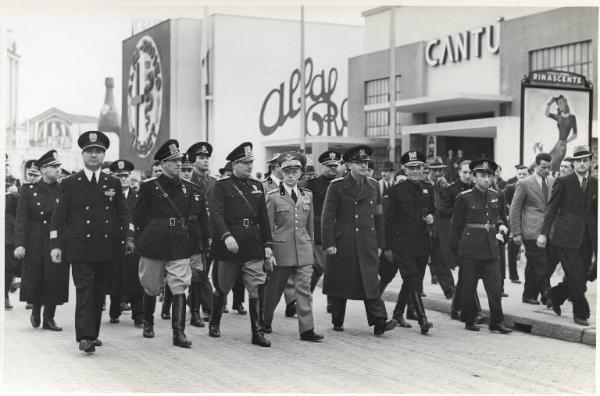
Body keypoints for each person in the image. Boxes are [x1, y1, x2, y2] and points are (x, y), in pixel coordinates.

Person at [50, 132, 135, 353]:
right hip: (79, 246)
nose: (94, 155)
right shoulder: (70, 183)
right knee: (84, 290)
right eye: (89, 151)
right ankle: (85, 336)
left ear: (104, 154)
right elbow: (59, 217)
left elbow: (123, 213)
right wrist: (56, 245)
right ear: (83, 155)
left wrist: (128, 237)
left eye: (98, 151)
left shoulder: (113, 182)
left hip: (106, 247)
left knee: (99, 292)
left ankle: (93, 333)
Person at [321, 145, 396, 335]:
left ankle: (379, 321)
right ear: (348, 165)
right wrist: (329, 243)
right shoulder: (336, 186)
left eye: (366, 162)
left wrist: (381, 244)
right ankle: (337, 318)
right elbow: (328, 217)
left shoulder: (373, 186)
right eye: (359, 163)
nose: (364, 166)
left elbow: (379, 217)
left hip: (367, 241)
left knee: (370, 281)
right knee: (341, 281)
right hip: (343, 242)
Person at [135, 139, 202, 348]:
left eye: (179, 160)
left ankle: (178, 332)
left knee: (180, 286)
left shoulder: (189, 188)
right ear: (163, 164)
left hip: (179, 243)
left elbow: (193, 219)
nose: (178, 164)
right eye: (173, 161)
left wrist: (196, 247)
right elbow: (138, 217)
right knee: (151, 287)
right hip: (154, 243)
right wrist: (143, 239)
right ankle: (148, 322)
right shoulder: (149, 188)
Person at [208, 142, 273, 347]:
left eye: (251, 162)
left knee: (256, 287)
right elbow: (216, 215)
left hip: (252, 243)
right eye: (244, 162)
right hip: (229, 245)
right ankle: (215, 321)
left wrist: (268, 244)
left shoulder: (257, 186)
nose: (249, 166)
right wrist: (226, 236)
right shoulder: (222, 186)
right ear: (234, 164)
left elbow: (264, 218)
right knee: (223, 286)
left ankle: (257, 332)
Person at [263, 152, 324, 342]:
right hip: (281, 250)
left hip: (304, 249)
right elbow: (268, 227)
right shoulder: (273, 197)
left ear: (300, 174)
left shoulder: (308, 195)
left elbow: (310, 225)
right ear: (281, 173)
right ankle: (264, 321)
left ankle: (307, 329)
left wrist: (311, 246)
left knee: (304, 290)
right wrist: (268, 250)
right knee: (274, 289)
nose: (290, 175)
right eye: (287, 171)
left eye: (295, 171)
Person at [450, 159, 512, 334]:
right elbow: (456, 226)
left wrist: (502, 227)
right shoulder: (464, 197)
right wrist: (456, 252)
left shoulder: (497, 196)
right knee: (468, 287)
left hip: (491, 248)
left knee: (495, 287)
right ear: (474, 177)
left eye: (489, 175)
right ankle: (469, 320)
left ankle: (497, 322)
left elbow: (500, 217)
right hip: (470, 249)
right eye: (482, 176)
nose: (486, 179)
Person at [538, 145, 597, 326]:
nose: (581, 164)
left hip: (588, 238)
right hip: (565, 238)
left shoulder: (596, 183)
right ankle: (580, 313)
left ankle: (554, 295)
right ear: (573, 163)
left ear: (589, 162)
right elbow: (552, 208)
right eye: (578, 160)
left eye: (585, 160)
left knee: (582, 276)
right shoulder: (564, 182)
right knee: (575, 276)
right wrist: (543, 233)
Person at [15, 150, 70, 331]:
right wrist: (20, 243)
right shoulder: (28, 189)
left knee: (55, 278)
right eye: (53, 167)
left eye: (58, 166)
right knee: (37, 277)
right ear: (43, 169)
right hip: (35, 240)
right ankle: (36, 310)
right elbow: (21, 219)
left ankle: (49, 317)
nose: (57, 170)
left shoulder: (63, 189)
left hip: (57, 240)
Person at [382, 150, 434, 334]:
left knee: (412, 281)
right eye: (411, 168)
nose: (415, 171)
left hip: (421, 243)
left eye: (418, 167)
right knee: (412, 277)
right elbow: (388, 220)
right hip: (402, 243)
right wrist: (387, 246)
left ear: (423, 168)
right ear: (404, 169)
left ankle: (397, 314)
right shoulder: (396, 190)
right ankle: (423, 320)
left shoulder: (428, 188)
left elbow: (433, 210)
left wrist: (431, 217)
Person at [510, 153, 554, 305]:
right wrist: (516, 232)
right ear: (535, 166)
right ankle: (548, 294)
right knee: (541, 263)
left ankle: (529, 295)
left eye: (549, 167)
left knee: (534, 264)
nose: (547, 170)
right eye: (543, 167)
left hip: (549, 230)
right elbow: (514, 209)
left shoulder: (553, 181)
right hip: (531, 231)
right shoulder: (524, 183)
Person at [107, 159, 144, 327]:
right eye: (118, 175)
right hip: (113, 243)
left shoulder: (138, 198)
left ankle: (139, 315)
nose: (122, 179)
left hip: (133, 243)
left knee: (135, 280)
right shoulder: (107, 197)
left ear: (130, 177)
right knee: (114, 278)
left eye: (125, 176)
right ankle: (114, 311)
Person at [262, 154, 297, 318]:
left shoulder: (292, 187)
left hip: (291, 238)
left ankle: (292, 303)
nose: (288, 171)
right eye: (283, 167)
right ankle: (264, 312)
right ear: (276, 167)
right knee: (272, 279)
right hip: (273, 236)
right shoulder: (264, 186)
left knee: (288, 275)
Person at [180, 152, 211, 328]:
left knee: (197, 276)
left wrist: (206, 241)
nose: (185, 173)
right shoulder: (168, 190)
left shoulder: (197, 190)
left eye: (188, 169)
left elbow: (203, 220)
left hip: (194, 237)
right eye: (182, 169)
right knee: (174, 279)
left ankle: (196, 313)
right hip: (175, 237)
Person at [305, 150, 341, 296]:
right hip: (318, 231)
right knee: (319, 267)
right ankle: (305, 296)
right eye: (329, 166)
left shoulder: (341, 184)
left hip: (338, 232)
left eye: (335, 166)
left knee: (335, 270)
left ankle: (332, 303)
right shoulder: (312, 184)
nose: (333, 169)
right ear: (323, 167)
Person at [425, 159, 455, 298]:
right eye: (434, 170)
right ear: (428, 171)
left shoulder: (443, 186)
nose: (437, 173)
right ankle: (416, 290)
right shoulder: (422, 185)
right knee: (420, 260)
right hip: (424, 228)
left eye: (440, 170)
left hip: (438, 229)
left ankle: (449, 289)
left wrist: (447, 187)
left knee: (441, 259)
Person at [503, 165, 530, 285]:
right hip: (515, 220)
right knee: (513, 248)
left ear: (528, 174)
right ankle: (513, 275)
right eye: (520, 174)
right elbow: (504, 202)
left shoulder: (532, 187)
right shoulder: (510, 187)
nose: (522, 176)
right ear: (516, 175)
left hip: (529, 221)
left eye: (524, 174)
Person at [543, 95, 578, 172]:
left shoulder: (572, 118)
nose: (560, 105)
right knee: (547, 161)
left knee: (556, 163)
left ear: (565, 102)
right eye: (558, 104)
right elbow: (547, 114)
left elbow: (575, 134)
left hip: (562, 146)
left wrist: (566, 141)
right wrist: (549, 103)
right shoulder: (559, 117)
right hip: (557, 145)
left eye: (561, 102)